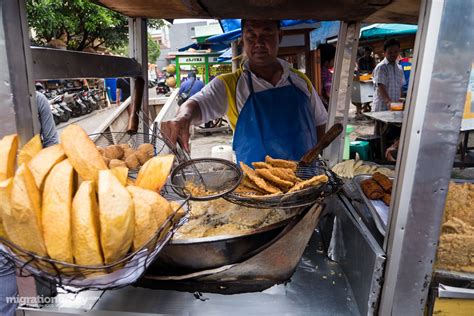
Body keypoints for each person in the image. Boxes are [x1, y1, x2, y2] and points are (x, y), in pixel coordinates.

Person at [161, 19, 328, 165]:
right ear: (242, 40)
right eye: (251, 35)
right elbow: (195, 104)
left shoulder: (301, 81)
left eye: (267, 33)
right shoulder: (229, 85)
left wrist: (316, 159)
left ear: (280, 36)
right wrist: (182, 118)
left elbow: (320, 122)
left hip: (306, 185)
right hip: (254, 191)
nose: (259, 42)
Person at [0, 91, 58, 316]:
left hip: (25, 197)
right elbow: (52, 144)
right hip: (30, 197)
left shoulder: (38, 99)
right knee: (35, 260)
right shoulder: (36, 98)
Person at [372, 39, 405, 112]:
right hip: (382, 107)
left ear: (399, 52)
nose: (393, 54)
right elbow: (381, 86)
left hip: (395, 107)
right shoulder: (381, 67)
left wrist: (401, 100)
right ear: (384, 53)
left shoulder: (399, 68)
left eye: (396, 51)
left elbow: (401, 86)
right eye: (390, 52)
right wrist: (388, 102)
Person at [319, 44, 336, 109]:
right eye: (334, 59)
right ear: (326, 61)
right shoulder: (327, 74)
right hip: (325, 107)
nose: (335, 62)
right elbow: (330, 94)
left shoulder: (316, 71)